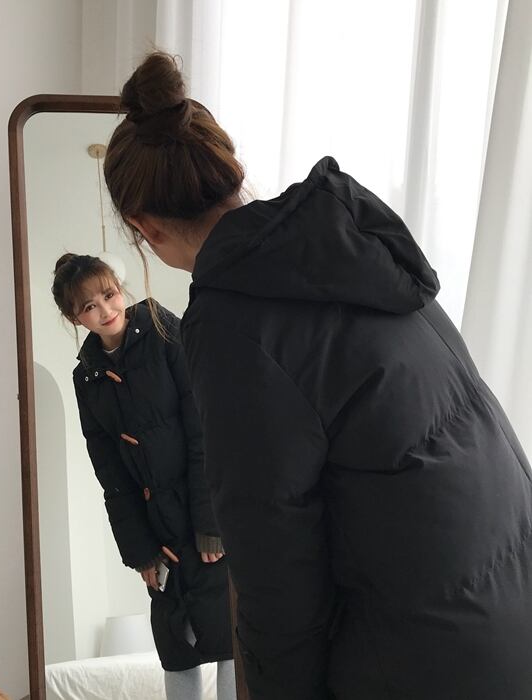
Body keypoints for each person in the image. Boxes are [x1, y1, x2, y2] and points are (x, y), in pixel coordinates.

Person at [101, 51, 532, 700]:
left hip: (432, 651)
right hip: (508, 607)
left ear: (143, 228)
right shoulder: (347, 248)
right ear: (229, 165)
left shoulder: (231, 320)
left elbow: (275, 570)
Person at [51, 253, 237, 700]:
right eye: (89, 306)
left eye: (109, 295)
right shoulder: (87, 377)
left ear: (120, 289)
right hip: (157, 530)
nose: (105, 310)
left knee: (229, 640)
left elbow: (203, 428)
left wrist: (211, 523)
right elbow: (109, 471)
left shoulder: (161, 328)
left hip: (203, 518)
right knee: (175, 647)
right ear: (75, 317)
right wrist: (140, 552)